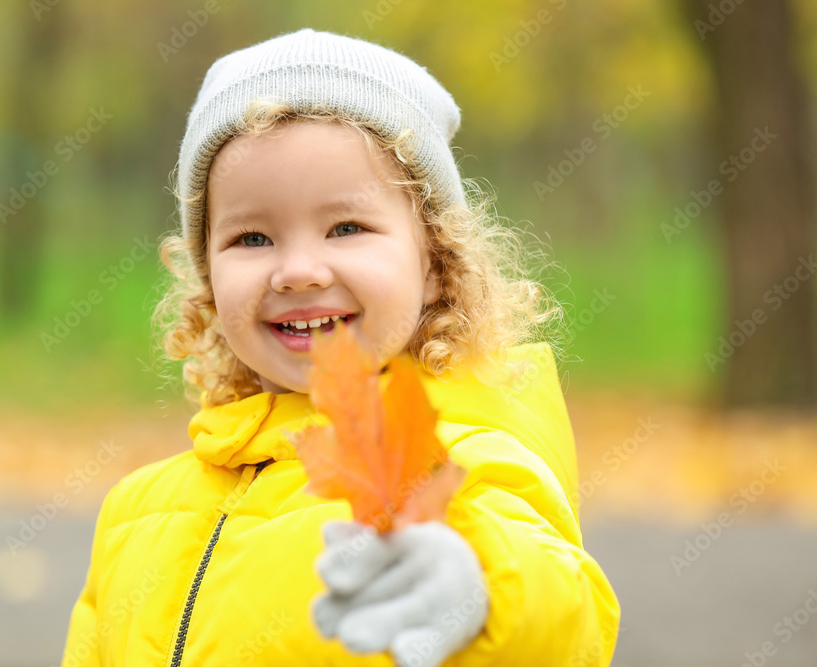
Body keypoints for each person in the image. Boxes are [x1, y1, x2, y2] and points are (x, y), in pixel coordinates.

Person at [61, 27, 620, 667]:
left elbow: (564, 620)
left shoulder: (454, 461)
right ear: (208, 278)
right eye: (251, 238)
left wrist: (481, 590)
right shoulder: (136, 511)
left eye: (346, 227)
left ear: (435, 260)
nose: (298, 270)